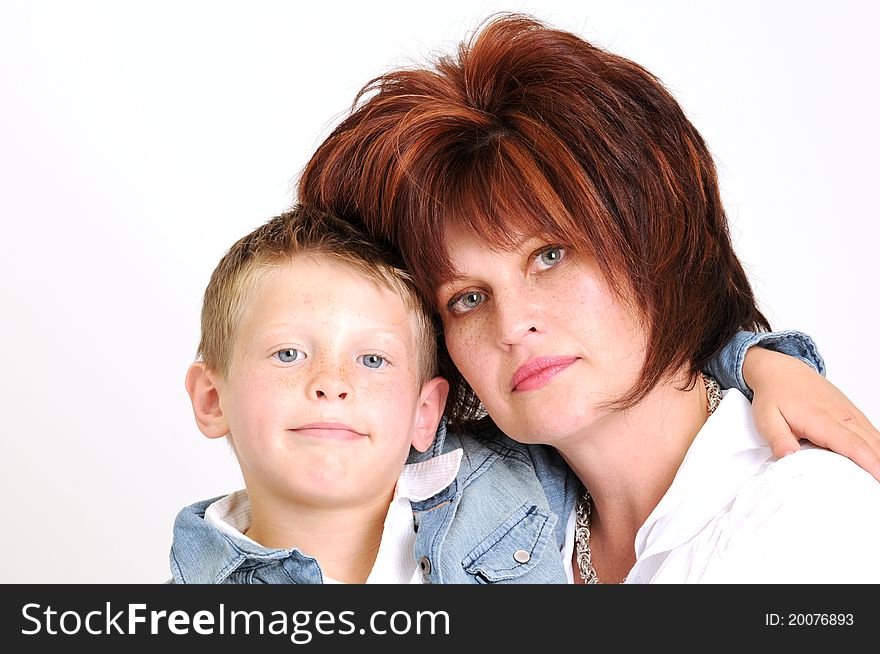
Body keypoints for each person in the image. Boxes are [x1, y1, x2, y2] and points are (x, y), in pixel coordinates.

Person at [297, 13, 880, 582]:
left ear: (656, 237)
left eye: (549, 256)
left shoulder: (806, 516)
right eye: (467, 299)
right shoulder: (458, 516)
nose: (512, 324)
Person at [172, 206, 457, 583]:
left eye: (373, 359)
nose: (332, 382)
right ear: (212, 400)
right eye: (288, 354)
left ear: (424, 413)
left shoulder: (515, 490)